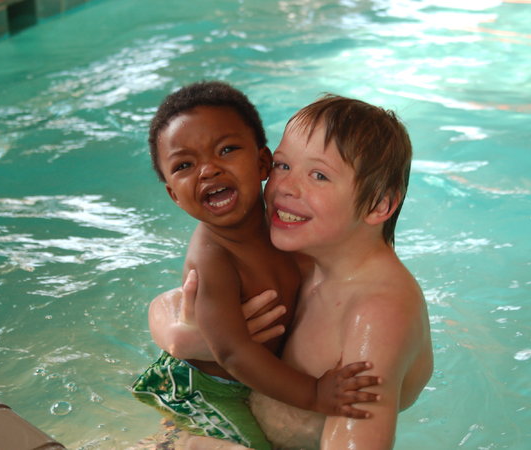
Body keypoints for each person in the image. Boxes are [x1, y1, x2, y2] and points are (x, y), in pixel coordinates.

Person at [150, 94, 434, 449]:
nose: (285, 187)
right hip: (204, 422)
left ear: (379, 204)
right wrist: (181, 337)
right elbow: (180, 297)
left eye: (319, 175)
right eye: (283, 166)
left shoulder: (378, 316)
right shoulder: (306, 250)